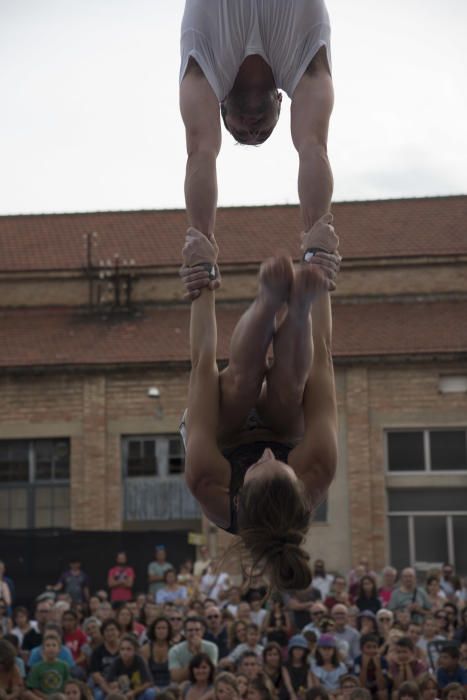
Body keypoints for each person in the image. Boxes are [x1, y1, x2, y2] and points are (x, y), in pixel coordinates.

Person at [181, 222, 339, 590]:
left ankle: (268, 302)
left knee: (242, 379)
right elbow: (322, 362)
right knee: (289, 387)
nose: (267, 453)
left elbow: (202, 362)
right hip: (286, 423)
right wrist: (319, 273)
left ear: (239, 491)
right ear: (297, 479)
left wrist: (201, 278)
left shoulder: (208, 482)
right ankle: (294, 309)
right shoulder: (316, 469)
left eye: (257, 465)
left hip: (221, 430)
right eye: (279, 462)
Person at [179, 0, 333, 256]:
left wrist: (201, 256)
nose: (252, 131)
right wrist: (318, 249)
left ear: (220, 102)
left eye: (239, 133)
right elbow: (313, 146)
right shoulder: (303, 64)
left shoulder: (205, 69)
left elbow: (200, 151)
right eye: (264, 133)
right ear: (280, 102)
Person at [169, 617, 218, 684]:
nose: (194, 633)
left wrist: (198, 653)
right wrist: (194, 657)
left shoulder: (211, 647)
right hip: (183, 684)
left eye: (197, 630)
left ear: (202, 632)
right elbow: (176, 677)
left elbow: (212, 674)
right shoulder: (175, 650)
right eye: (190, 630)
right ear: (185, 633)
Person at [106, 635, 155, 700]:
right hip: (121, 693)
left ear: (135, 650)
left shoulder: (139, 660)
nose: (125, 652)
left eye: (128, 649)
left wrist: (133, 692)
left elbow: (149, 682)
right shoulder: (116, 662)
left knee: (150, 692)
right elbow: (109, 681)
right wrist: (116, 685)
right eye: (122, 649)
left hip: (138, 692)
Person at [88, 619, 121, 700]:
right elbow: (96, 676)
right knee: (98, 695)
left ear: (119, 632)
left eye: (112, 630)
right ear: (103, 634)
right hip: (103, 685)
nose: (110, 633)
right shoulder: (97, 651)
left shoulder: (126, 648)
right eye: (107, 631)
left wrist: (120, 685)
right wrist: (109, 691)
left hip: (123, 683)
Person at [352, 633, 389, 700]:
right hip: (363, 690)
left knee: (382, 693)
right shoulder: (357, 661)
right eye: (368, 647)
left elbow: (382, 686)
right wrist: (364, 666)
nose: (372, 650)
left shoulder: (383, 661)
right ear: (361, 649)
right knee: (363, 692)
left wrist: (378, 667)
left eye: (375, 647)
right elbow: (360, 686)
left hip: (377, 690)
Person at [141, 617, 172, 691]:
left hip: (170, 685)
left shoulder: (174, 649)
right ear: (153, 630)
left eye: (164, 628)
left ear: (168, 630)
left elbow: (174, 674)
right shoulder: (145, 649)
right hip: (151, 686)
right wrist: (153, 687)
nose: (161, 631)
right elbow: (145, 674)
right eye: (158, 628)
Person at [282, 635, 314, 700]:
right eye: (296, 649)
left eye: (301, 649)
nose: (298, 652)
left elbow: (310, 684)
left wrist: (305, 693)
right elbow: (288, 683)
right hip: (288, 694)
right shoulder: (285, 665)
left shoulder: (307, 666)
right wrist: (293, 695)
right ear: (291, 650)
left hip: (303, 693)